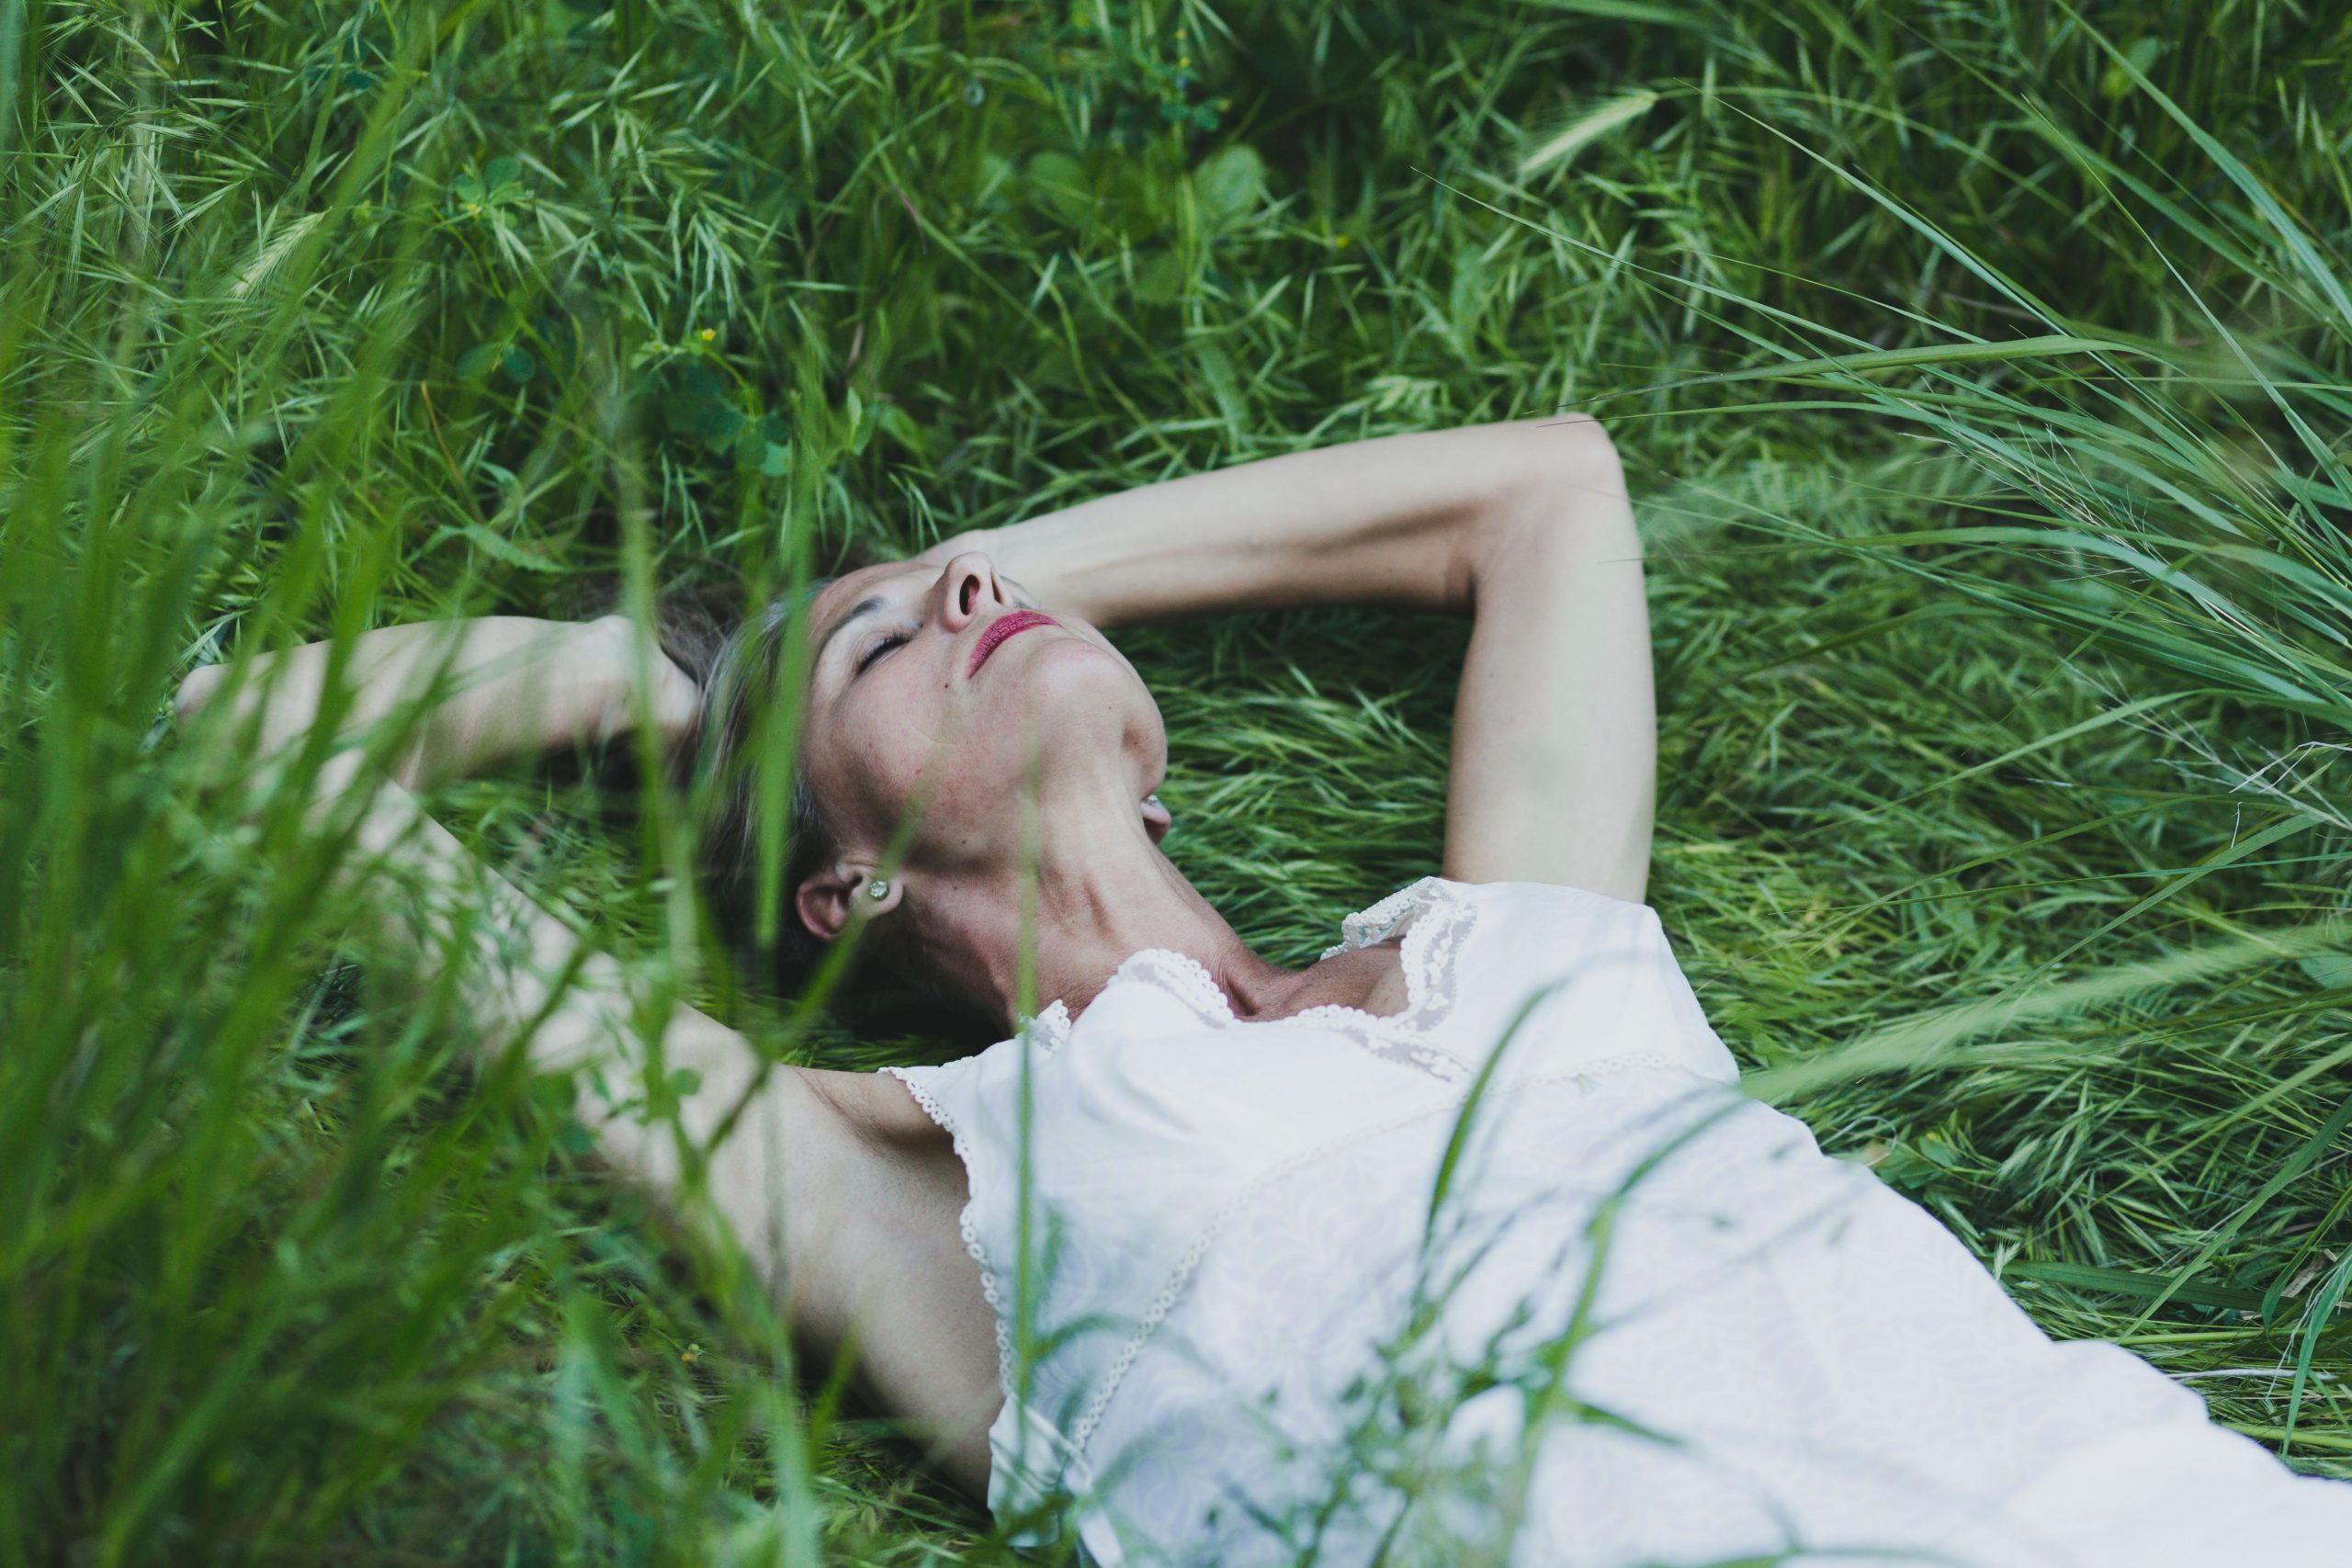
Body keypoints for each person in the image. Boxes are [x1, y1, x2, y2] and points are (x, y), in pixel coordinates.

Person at [177, 421, 2352, 1565]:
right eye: (887, 644)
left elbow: (1540, 489)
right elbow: (247, 746)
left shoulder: (1521, 946)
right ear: (838, 883)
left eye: (960, 585)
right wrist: (669, 680)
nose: (963, 590)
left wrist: (966, 590)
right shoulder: (937, 1205)